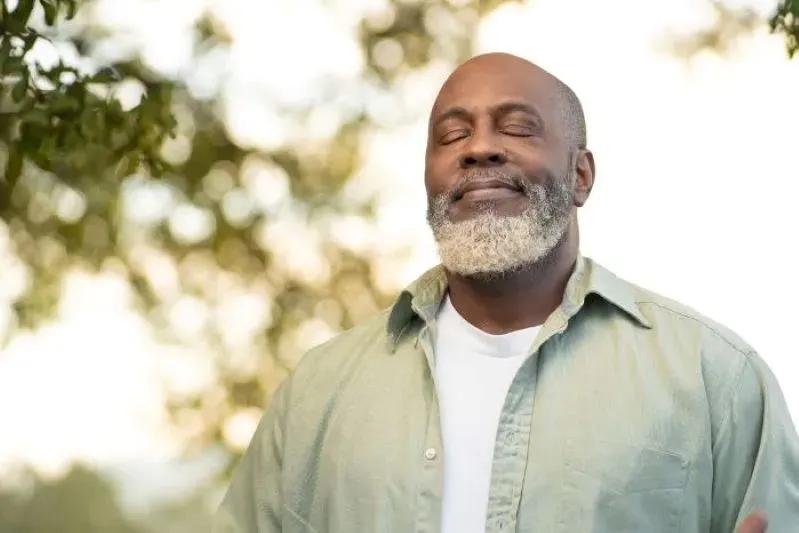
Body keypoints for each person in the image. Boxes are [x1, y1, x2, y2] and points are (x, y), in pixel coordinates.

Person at [213, 53, 799, 533]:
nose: (479, 148)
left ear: (580, 176)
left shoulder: (713, 379)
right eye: (452, 135)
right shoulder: (318, 394)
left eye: (517, 128)